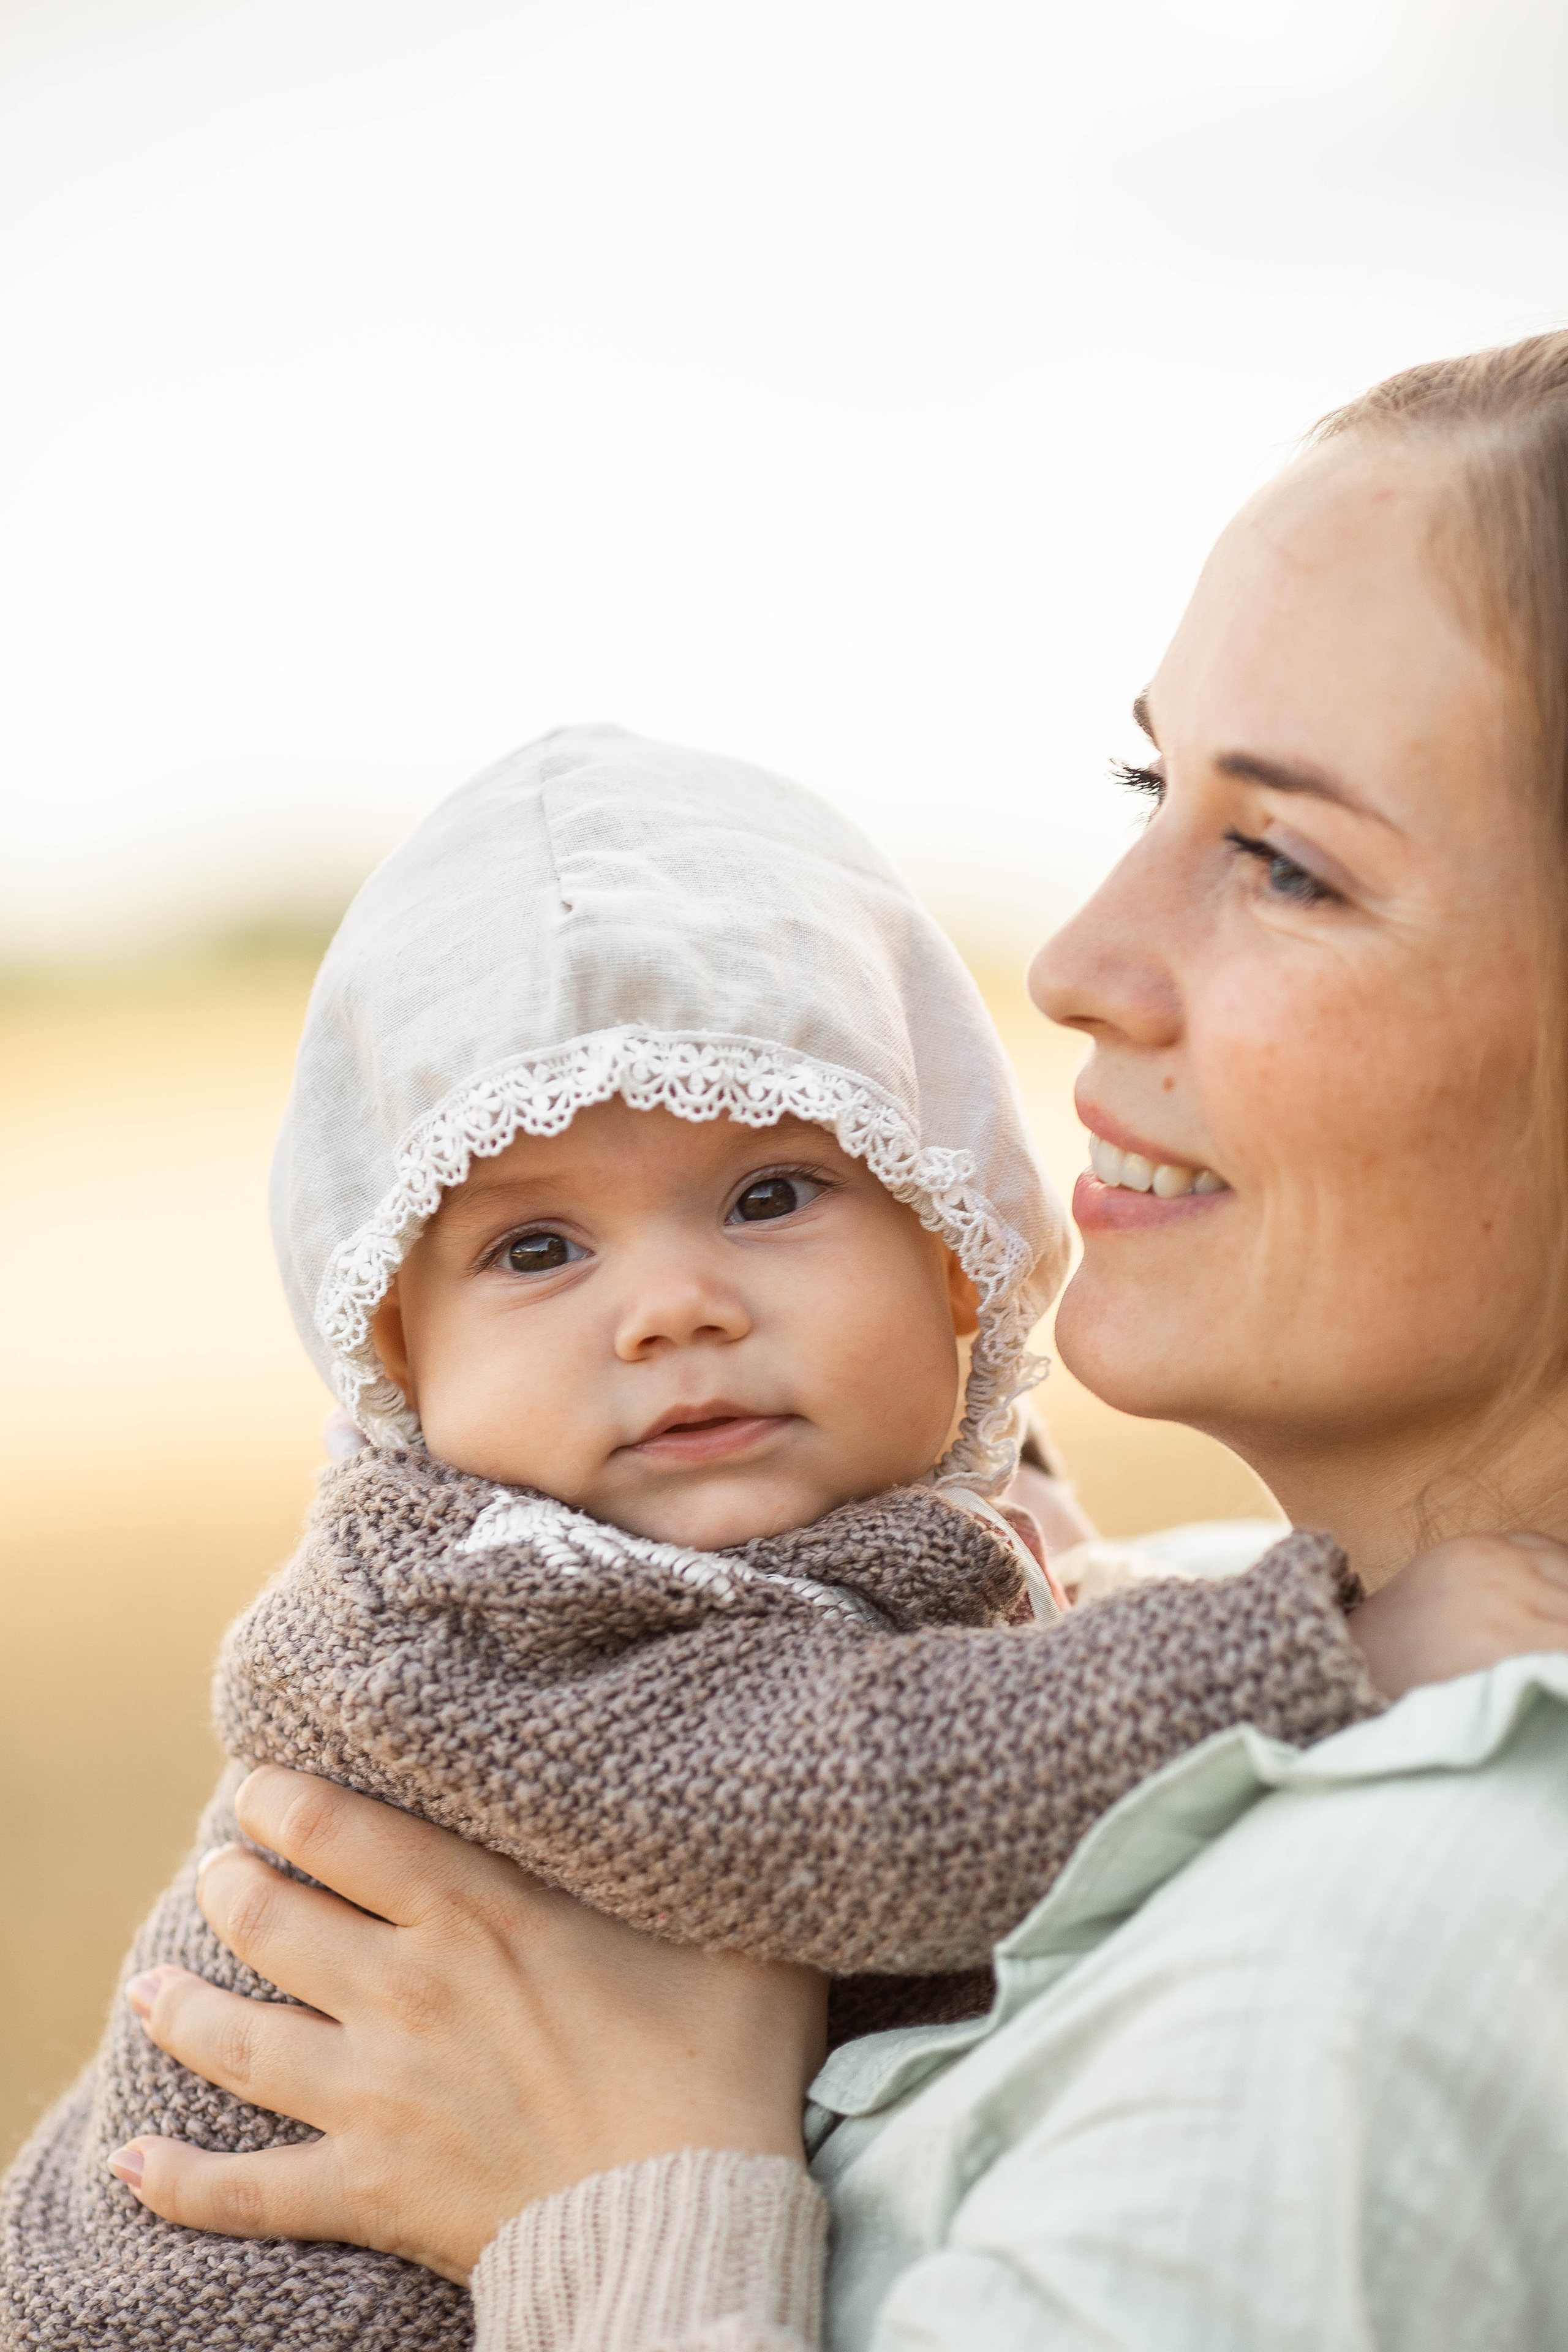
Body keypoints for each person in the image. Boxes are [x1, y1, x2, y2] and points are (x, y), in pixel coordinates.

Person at [45, 329, 1568, 2347]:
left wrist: (627, 2213)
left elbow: (891, 1765)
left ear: (941, 1260)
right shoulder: (503, 1612)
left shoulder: (1393, 1939)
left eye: (1283, 860)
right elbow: (871, 1772)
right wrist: (1315, 1643)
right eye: (1146, 787)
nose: (1074, 960)